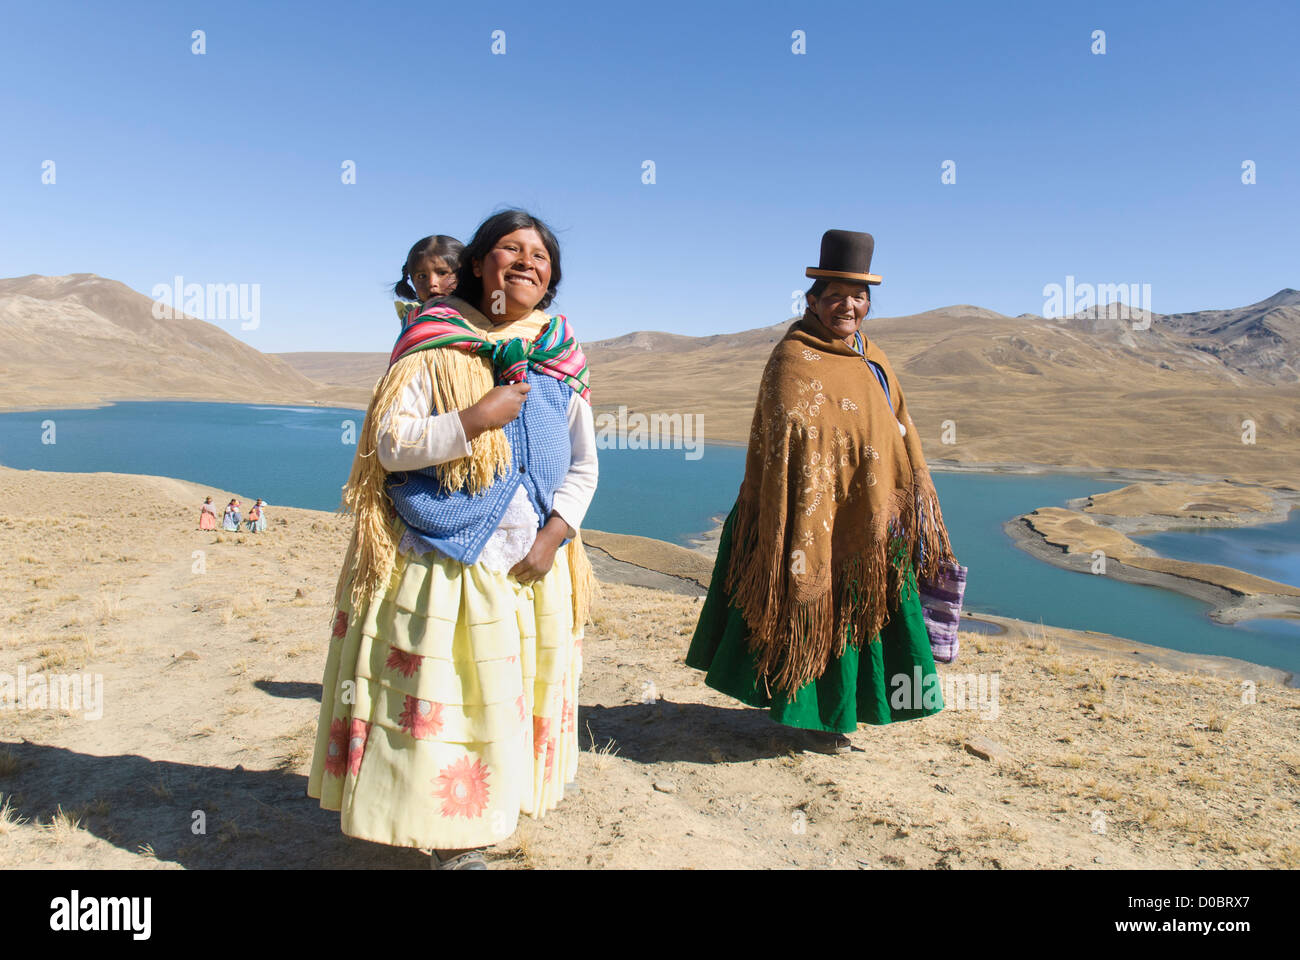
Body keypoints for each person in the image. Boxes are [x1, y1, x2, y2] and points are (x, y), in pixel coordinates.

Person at [308, 210, 598, 870]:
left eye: (540, 256)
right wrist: (475, 418)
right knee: (451, 701)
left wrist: (555, 535)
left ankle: (496, 809)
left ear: (551, 276)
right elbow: (391, 445)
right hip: (446, 560)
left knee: (508, 700)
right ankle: (451, 838)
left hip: (533, 568)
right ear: (477, 264)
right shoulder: (435, 342)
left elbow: (584, 464)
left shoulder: (559, 356)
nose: (526, 262)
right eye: (510, 249)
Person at [686, 230, 959, 753]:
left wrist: (895, 470)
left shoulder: (872, 357)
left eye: (858, 297)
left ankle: (853, 710)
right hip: (806, 515)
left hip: (870, 513)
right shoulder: (792, 358)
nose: (847, 306)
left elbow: (897, 424)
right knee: (814, 606)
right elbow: (786, 436)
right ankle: (816, 717)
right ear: (811, 301)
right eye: (835, 296)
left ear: (869, 304)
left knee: (867, 612)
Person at [394, 234, 465, 329]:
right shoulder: (415, 320)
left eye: (442, 273)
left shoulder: (477, 314)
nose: (432, 283)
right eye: (422, 276)